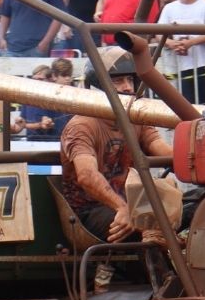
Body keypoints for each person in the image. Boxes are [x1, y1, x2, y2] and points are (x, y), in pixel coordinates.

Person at [60, 48, 175, 244]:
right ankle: (163, 273)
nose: (128, 87)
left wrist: (195, 156)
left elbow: (162, 149)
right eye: (118, 81)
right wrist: (122, 208)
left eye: (130, 80)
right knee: (149, 227)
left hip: (131, 204)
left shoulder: (136, 119)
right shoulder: (82, 125)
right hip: (89, 211)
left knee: (198, 208)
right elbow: (86, 176)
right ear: (98, 86)